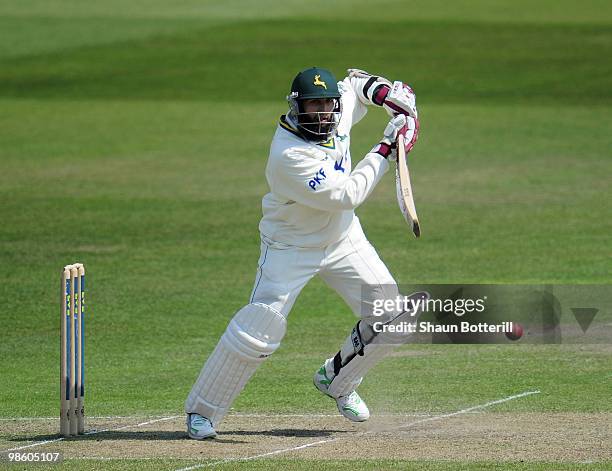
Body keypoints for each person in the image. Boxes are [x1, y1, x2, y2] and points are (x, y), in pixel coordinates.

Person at [185, 67, 420, 439]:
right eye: (314, 106)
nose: (324, 113)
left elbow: (356, 85)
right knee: (258, 329)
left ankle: (337, 380)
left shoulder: (335, 111)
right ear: (297, 108)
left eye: (328, 105)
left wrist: (386, 96)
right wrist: (387, 148)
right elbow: (348, 194)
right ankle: (203, 412)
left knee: (393, 317)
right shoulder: (289, 155)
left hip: (343, 239)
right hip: (290, 246)